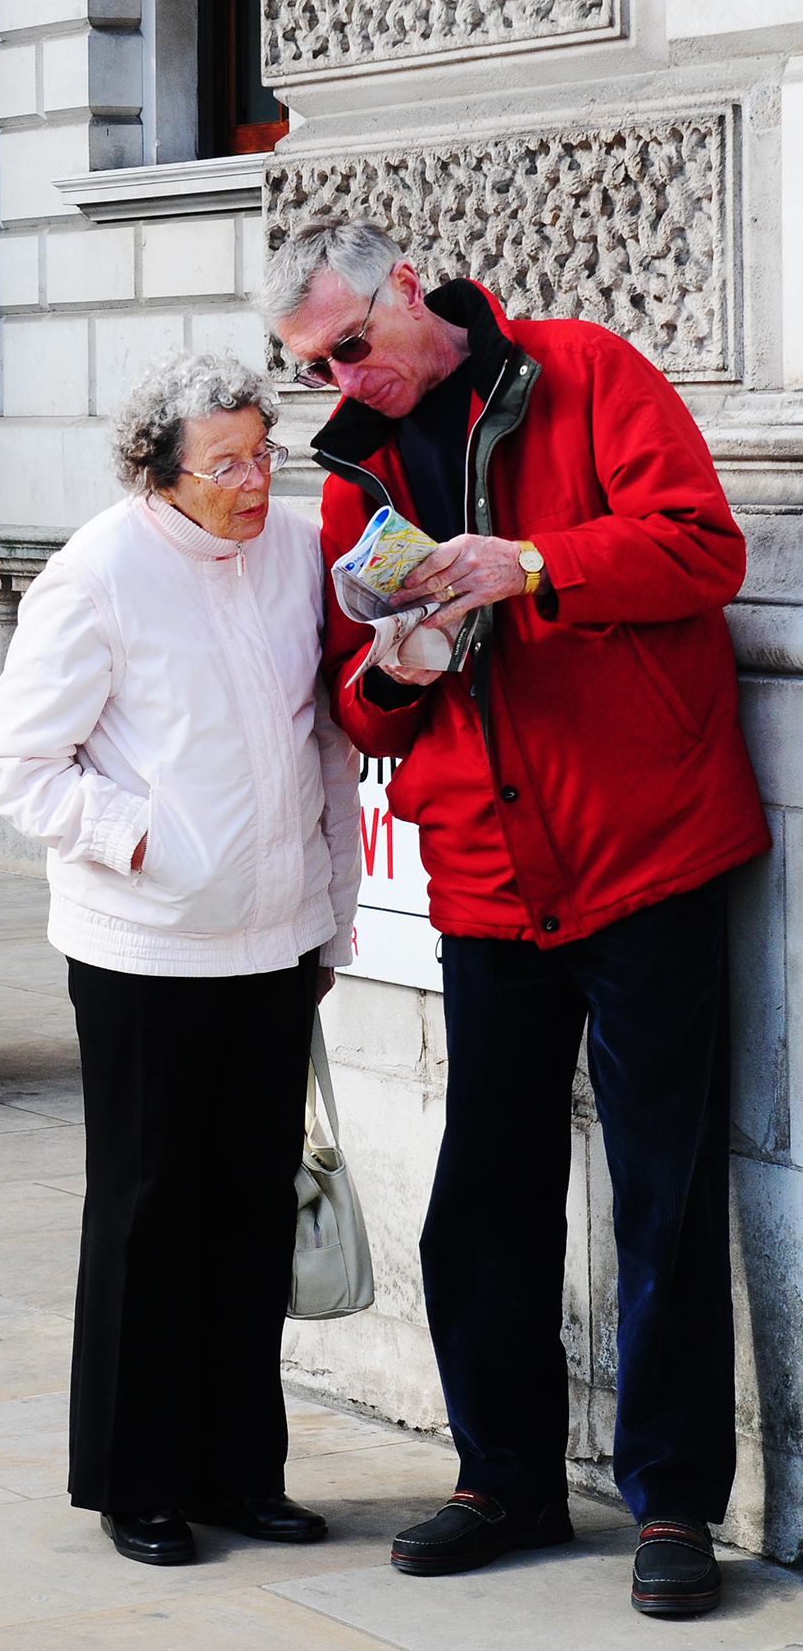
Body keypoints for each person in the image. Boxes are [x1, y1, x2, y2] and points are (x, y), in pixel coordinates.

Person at [262, 219, 770, 1623]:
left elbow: (699, 547)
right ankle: (505, 1479)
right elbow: (352, 701)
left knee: (664, 1186)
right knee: (484, 1188)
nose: (345, 382)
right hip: (485, 863)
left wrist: (532, 564)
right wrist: (396, 659)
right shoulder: (352, 473)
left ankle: (673, 1502)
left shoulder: (589, 370)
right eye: (316, 366)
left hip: (645, 846)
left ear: (409, 293)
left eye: (353, 346)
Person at [0, 351, 361, 1569]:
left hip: (273, 936)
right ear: (161, 472)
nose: (255, 481)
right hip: (144, 945)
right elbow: (15, 762)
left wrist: (329, 907)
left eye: (265, 452)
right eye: (227, 463)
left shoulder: (295, 550)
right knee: (148, 1212)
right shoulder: (97, 571)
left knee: (253, 1209)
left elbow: (326, 735)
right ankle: (135, 1480)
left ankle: (242, 1471)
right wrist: (141, 840)